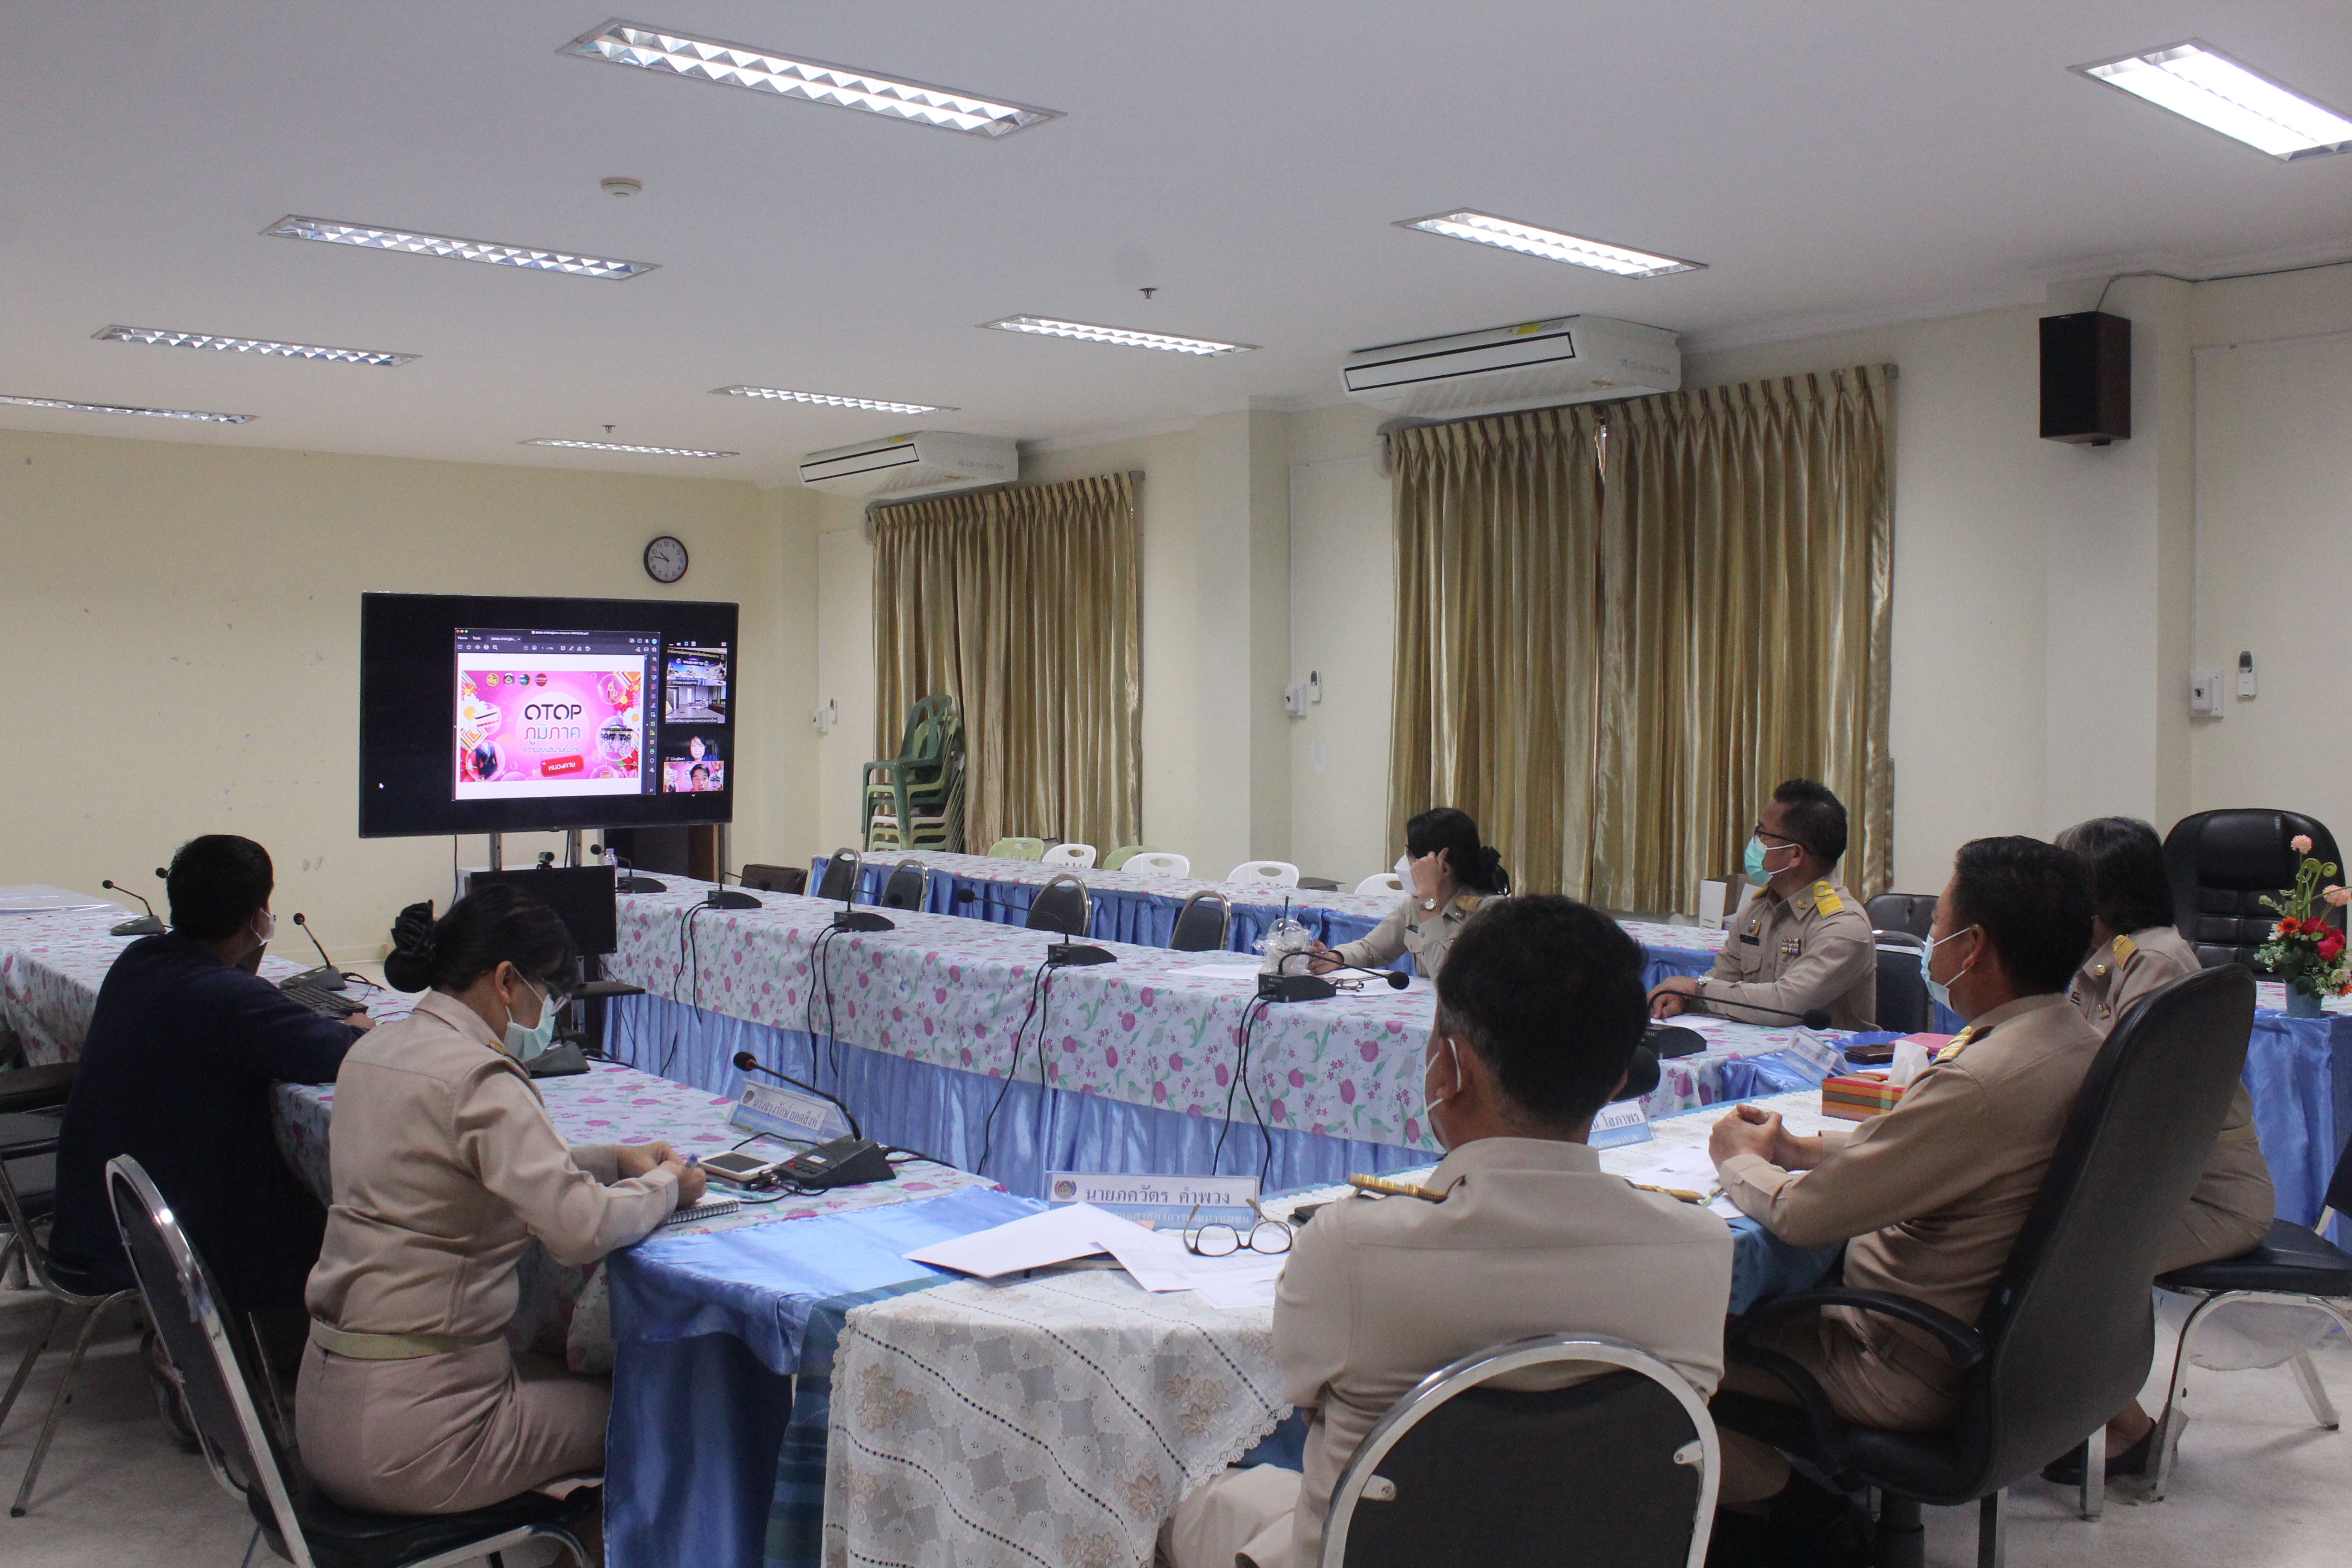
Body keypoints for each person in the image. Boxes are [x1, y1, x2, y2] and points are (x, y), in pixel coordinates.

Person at [1163, 897, 1731, 1568]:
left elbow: (1298, 1412)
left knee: (1173, 1500)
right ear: (1617, 1079)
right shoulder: (1701, 1250)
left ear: (1448, 1068)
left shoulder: (1350, 1252)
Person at [1704, 836, 2102, 1522]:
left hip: (1889, 1363)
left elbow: (1804, 1219)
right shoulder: (2066, 1040)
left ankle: (1797, 1518)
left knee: (1663, 1339)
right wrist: (1801, 1147)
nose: (1932, 945)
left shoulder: (1982, 1079)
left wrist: (1737, 1157)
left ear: (1973, 947)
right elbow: (1940, 1152)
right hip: (1999, 1354)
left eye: (1938, 930)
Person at [298, 887, 705, 1520]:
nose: (551, 1014)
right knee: (668, 1414)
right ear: (507, 980)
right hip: (425, 1434)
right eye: (550, 993)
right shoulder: (481, 1076)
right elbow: (582, 1229)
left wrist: (609, 1160)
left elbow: (460, 1171)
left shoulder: (372, 1053)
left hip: (327, 1410)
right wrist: (665, 1187)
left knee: (551, 1362)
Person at [49, 835, 372, 1371]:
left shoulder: (142, 959)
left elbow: (243, 1012)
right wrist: (357, 1027)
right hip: (163, 1240)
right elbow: (343, 1054)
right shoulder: (227, 1001)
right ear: (257, 917)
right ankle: (249, 1364)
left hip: (99, 1214)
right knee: (334, 1208)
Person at [2043, 815, 2276, 1485]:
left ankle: (2132, 1433)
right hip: (2161, 1182)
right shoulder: (2114, 954)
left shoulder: (2156, 961)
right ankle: (2086, 1415)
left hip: (2209, 1197)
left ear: (2106, 890)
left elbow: (2121, 1088)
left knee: (2063, 1258)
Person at [1650, 779, 1876, 1029]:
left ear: (1795, 855)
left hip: (1829, 1065)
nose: (1754, 843)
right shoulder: (1759, 909)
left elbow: (1784, 1006)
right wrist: (1685, 1000)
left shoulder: (1843, 926)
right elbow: (1720, 986)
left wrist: (1696, 989)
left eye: (1762, 833)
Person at [1308, 807, 1506, 980]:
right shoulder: (1414, 905)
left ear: (1443, 869)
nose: (1406, 862)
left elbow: (1447, 981)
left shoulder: (1489, 913)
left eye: (1411, 855)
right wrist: (1336, 958)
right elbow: (1372, 949)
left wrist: (1430, 900)